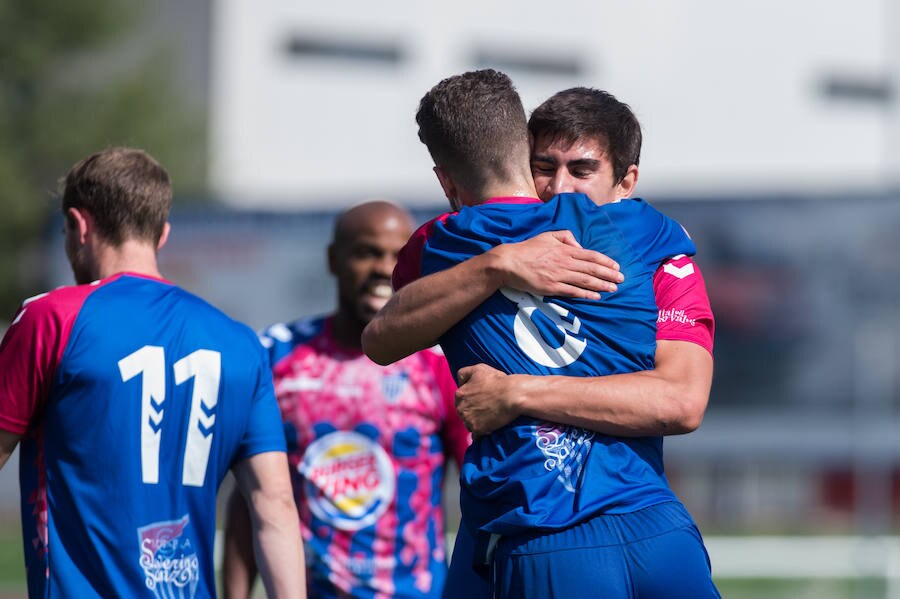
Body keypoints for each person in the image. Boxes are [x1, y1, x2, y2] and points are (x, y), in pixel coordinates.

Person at [363, 71, 719, 598]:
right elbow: (384, 336)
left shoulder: (440, 243)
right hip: (544, 527)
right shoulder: (647, 233)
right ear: (520, 159)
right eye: (543, 168)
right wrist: (499, 264)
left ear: (627, 182)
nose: (559, 188)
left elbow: (681, 402)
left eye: (582, 170)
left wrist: (517, 393)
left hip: (558, 535)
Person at [0, 147, 305, 599]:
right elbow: (274, 505)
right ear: (161, 235)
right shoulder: (240, 343)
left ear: (79, 226)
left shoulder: (52, 319)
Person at [222, 200, 471, 598]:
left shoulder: (438, 365)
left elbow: (479, 494)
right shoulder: (276, 357)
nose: (382, 269)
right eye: (367, 253)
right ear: (333, 260)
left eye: (396, 255)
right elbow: (251, 498)